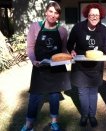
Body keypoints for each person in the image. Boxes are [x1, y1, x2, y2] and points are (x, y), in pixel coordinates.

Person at [21, 1, 71, 131]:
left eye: (56, 13)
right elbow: (31, 47)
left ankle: (54, 122)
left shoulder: (62, 30)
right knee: (35, 96)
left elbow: (64, 49)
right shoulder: (35, 27)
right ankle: (28, 124)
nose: (53, 15)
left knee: (54, 95)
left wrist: (70, 55)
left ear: (59, 15)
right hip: (39, 67)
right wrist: (33, 60)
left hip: (57, 68)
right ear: (46, 12)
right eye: (51, 11)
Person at [67, 3, 106, 127]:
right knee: (82, 92)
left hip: (96, 67)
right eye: (91, 14)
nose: (94, 17)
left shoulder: (103, 29)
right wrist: (71, 51)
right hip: (80, 67)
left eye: (97, 15)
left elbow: (105, 46)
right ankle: (84, 115)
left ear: (100, 16)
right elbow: (69, 44)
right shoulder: (78, 28)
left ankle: (92, 115)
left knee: (93, 91)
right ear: (87, 15)